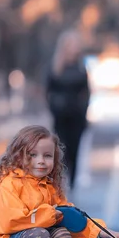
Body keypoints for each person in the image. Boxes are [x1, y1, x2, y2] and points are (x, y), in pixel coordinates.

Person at [46, 29, 90, 190]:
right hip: (60, 117)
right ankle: (61, 181)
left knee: (75, 150)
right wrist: (54, 107)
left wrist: (83, 109)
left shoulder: (81, 67)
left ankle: (71, 183)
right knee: (61, 150)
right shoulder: (56, 66)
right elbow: (48, 90)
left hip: (77, 117)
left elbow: (86, 92)